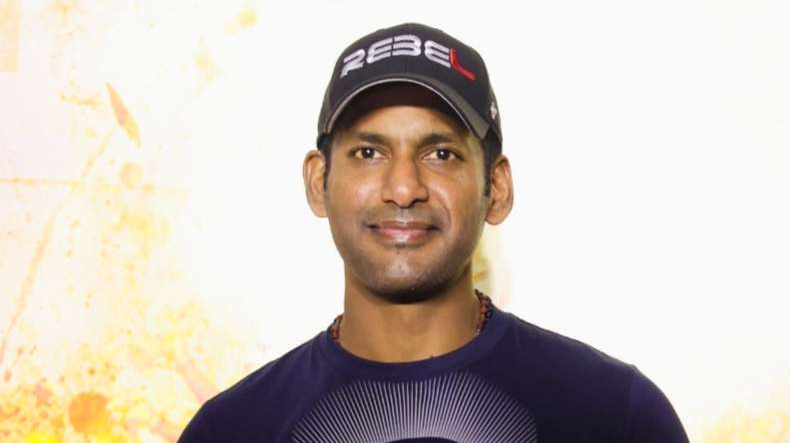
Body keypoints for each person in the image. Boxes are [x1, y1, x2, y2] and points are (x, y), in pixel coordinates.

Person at [178, 22, 689, 442]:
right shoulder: (231, 431)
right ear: (318, 182)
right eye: (368, 152)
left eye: (440, 154)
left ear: (496, 188)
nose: (403, 188)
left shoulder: (616, 416)